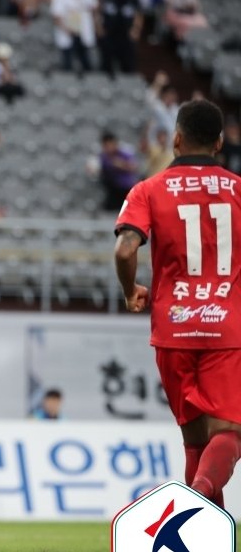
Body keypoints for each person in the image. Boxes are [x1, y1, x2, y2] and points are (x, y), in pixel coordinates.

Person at [114, 99, 241, 524]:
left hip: (172, 328)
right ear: (220, 143)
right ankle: (194, 500)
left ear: (176, 138)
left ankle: (213, 551)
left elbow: (125, 247)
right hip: (226, 326)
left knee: (195, 442)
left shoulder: (147, 190)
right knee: (229, 434)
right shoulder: (239, 191)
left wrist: (130, 289)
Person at [51, 0, 98, 74]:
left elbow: (95, 7)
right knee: (67, 63)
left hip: (83, 33)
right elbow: (56, 17)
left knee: (86, 62)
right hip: (67, 33)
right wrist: (67, 29)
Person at [99, 0, 142, 78]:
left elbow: (138, 14)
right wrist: (99, 28)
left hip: (126, 36)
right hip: (109, 35)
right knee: (106, 66)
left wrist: (136, 29)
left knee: (128, 66)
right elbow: (97, 11)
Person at [99, 131, 140, 212]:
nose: (108, 148)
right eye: (106, 146)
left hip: (126, 189)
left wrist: (121, 165)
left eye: (110, 144)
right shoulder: (104, 156)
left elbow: (134, 167)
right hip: (112, 190)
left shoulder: (124, 153)